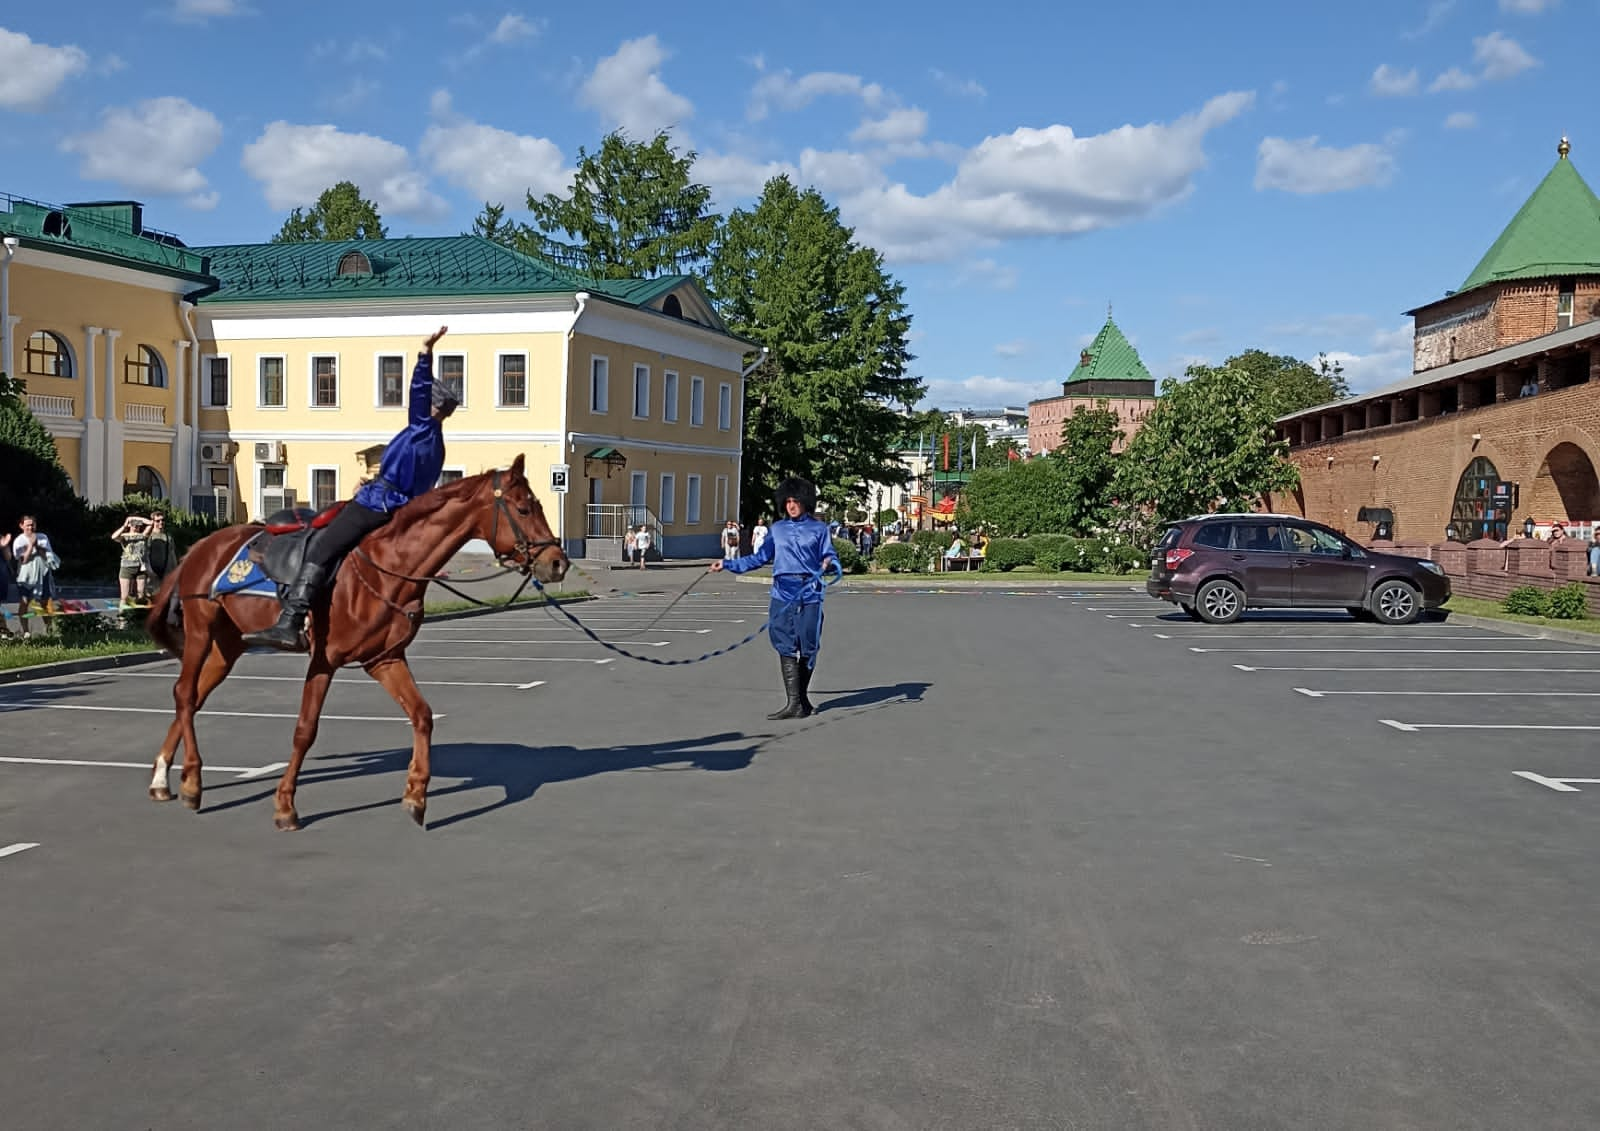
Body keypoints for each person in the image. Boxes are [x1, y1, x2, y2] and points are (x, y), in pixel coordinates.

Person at [244, 326, 456, 651]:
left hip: (374, 505)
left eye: (424, 401)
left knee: (321, 548)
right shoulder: (437, 446)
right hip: (393, 507)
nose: (417, 402)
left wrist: (426, 354)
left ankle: (290, 620)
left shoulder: (420, 428)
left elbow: (418, 387)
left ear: (432, 406)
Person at [710, 477, 836, 720]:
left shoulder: (820, 530)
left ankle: (802, 699)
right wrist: (726, 563)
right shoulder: (776, 529)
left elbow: (831, 558)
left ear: (805, 502)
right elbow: (758, 559)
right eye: (787, 501)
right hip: (782, 592)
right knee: (784, 642)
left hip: (810, 592)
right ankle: (794, 703)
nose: (791, 505)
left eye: (796, 501)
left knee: (809, 645)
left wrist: (829, 563)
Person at [3, 515, 58, 637]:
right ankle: (26, 631)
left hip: (42, 573)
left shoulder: (43, 537)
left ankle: (49, 629)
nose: (30, 527)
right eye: (27, 525)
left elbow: (48, 556)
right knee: (24, 601)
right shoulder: (19, 540)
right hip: (26, 575)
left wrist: (38, 546)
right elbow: (22, 560)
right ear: (22, 526)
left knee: (44, 602)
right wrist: (31, 546)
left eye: (32, 524)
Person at [112, 514, 151, 606]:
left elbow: (150, 523)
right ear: (130, 525)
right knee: (124, 596)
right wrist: (125, 525)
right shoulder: (124, 536)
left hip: (140, 568)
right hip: (127, 567)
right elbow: (114, 537)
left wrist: (135, 518)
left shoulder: (142, 535)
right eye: (134, 524)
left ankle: (138, 616)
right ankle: (122, 617)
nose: (136, 527)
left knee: (141, 594)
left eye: (138, 525)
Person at [140, 512, 174, 600]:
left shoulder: (168, 537)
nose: (161, 522)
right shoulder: (148, 537)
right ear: (153, 522)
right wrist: (149, 570)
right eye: (158, 521)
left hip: (165, 573)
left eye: (162, 520)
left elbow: (171, 555)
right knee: (151, 599)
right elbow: (144, 555)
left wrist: (174, 571)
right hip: (151, 574)